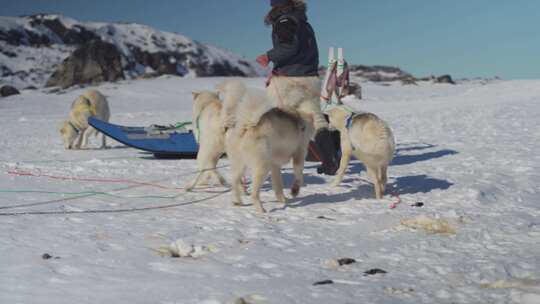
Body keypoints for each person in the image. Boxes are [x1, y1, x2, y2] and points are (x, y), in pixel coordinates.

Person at [256, 0, 339, 175]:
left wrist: (268, 56)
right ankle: (329, 161)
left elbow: (288, 48)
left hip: (289, 82)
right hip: (310, 78)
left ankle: (268, 162)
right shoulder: (303, 22)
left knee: (276, 119)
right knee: (317, 120)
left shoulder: (285, 20)